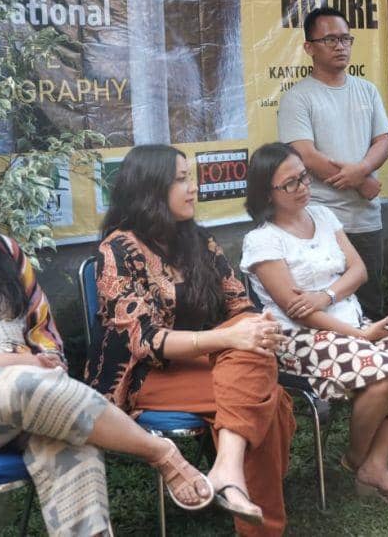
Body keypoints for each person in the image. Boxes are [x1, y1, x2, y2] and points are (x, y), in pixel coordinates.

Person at [0, 151, 213, 537]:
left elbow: (43, 330)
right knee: (25, 385)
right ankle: (162, 454)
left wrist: (45, 361)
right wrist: (8, 363)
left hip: (32, 395)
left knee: (72, 441)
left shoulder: (6, 253)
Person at [84, 145, 295, 536]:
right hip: (146, 376)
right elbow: (144, 340)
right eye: (180, 179)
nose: (192, 188)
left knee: (251, 351)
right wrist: (229, 338)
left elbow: (239, 305)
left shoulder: (199, 240)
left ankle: (228, 471)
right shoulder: (117, 250)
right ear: (150, 188)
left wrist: (254, 328)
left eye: (190, 177)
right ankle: (246, 500)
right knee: (268, 400)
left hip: (206, 365)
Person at [240, 143, 388, 509]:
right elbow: (297, 310)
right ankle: (363, 459)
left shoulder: (323, 216)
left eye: (303, 177)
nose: (302, 186)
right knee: (383, 375)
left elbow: (359, 270)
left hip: (349, 321)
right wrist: (361, 335)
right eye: (289, 184)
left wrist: (327, 295)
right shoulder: (261, 240)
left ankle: (368, 462)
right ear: (265, 193)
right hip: (301, 340)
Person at [277, 6, 388, 321]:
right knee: (328, 306)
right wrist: (362, 181)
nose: (340, 46)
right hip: (321, 222)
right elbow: (305, 154)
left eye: (345, 38)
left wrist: (362, 170)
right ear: (309, 47)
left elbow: (383, 141)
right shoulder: (298, 98)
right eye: (330, 39)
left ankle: (374, 366)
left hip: (365, 218)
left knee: (369, 304)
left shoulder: (367, 90)